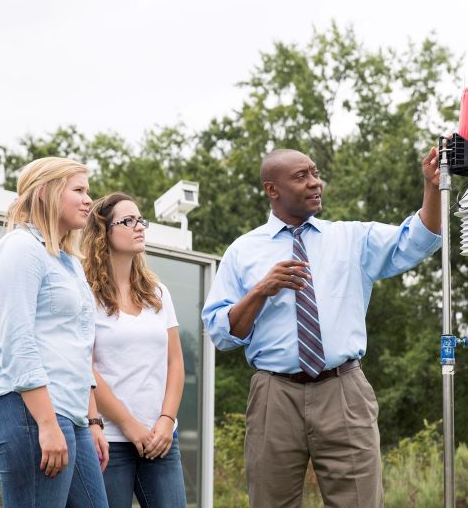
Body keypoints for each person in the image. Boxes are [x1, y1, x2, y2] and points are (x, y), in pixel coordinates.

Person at [202, 147, 442, 508]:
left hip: (343, 388)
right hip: (274, 394)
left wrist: (432, 186)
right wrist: (261, 290)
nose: (315, 182)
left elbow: (418, 239)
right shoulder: (242, 251)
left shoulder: (351, 238)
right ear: (272, 189)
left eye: (315, 173)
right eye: (301, 176)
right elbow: (222, 334)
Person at [0, 156, 109, 508]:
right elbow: (19, 341)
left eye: (87, 191)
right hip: (29, 410)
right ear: (46, 192)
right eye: (78, 190)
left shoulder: (69, 262)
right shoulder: (20, 249)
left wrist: (91, 419)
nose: (88, 200)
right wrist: (47, 423)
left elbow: (78, 348)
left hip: (71, 414)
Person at [81, 192, 187, 508]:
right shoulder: (85, 293)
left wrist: (167, 420)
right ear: (104, 231)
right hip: (110, 439)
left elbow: (175, 361)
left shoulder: (158, 292)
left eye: (141, 220)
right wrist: (129, 425)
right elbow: (84, 367)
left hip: (161, 438)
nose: (139, 226)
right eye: (128, 221)